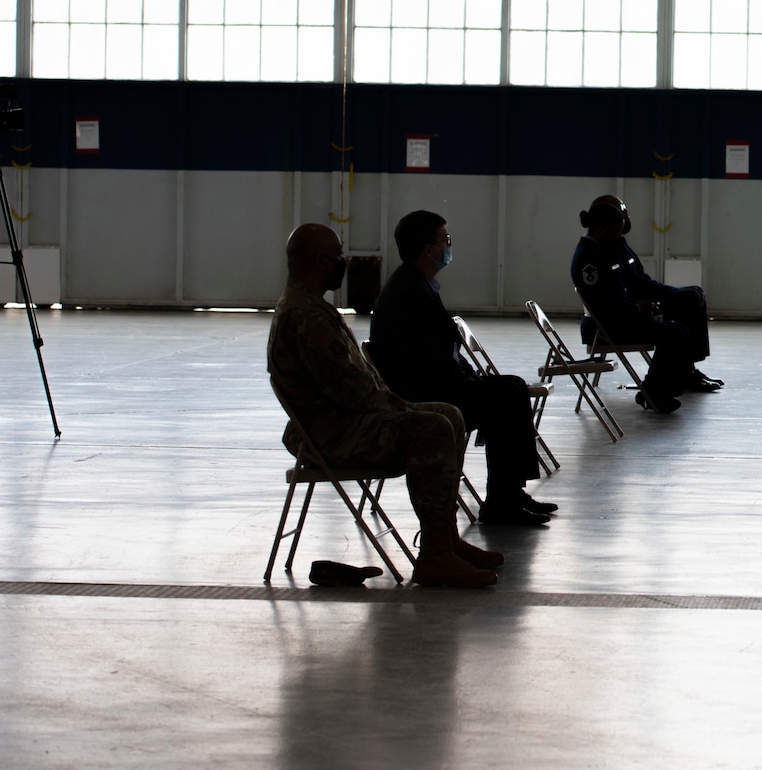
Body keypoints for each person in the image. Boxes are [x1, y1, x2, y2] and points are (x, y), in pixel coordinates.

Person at [267, 223, 502, 588]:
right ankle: (435, 558)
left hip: (340, 422)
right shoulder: (305, 317)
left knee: (448, 414)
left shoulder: (311, 307)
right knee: (433, 425)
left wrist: (403, 406)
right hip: (330, 435)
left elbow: (358, 390)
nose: (345, 261)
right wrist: (404, 409)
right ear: (321, 261)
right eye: (340, 256)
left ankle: (444, 541)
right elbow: (354, 393)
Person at [369, 210, 555, 527]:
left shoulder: (420, 286)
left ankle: (509, 492)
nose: (449, 246)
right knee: (507, 394)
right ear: (429, 250)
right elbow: (430, 362)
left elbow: (446, 348)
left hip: (433, 383)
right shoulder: (409, 294)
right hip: (421, 395)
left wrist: (473, 379)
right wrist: (469, 384)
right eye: (446, 240)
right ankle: (502, 501)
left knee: (509, 387)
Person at [572, 196, 704, 414]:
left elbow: (628, 286)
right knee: (674, 335)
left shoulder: (603, 249)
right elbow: (602, 306)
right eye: (616, 230)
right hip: (606, 326)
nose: (619, 236)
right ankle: (653, 393)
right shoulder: (588, 259)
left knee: (680, 329)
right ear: (602, 229)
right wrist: (638, 309)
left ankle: (658, 388)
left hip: (620, 317)